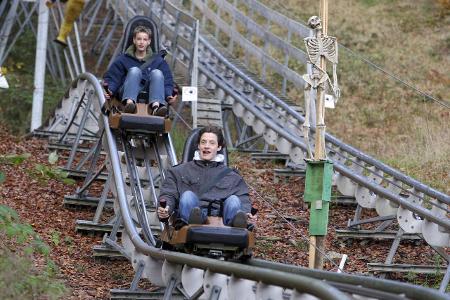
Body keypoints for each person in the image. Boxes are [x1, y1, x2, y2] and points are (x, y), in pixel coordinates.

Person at [158, 126, 257, 228]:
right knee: (187, 197)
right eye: (203, 142)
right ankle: (194, 222)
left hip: (224, 219)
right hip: (191, 216)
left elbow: (243, 198)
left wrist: (247, 214)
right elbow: (168, 194)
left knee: (234, 200)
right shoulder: (178, 171)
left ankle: (237, 224)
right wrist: (166, 209)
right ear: (198, 146)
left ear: (219, 147)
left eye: (212, 143)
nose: (206, 146)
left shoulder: (232, 176)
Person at [103, 25, 176, 115]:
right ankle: (129, 104)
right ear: (134, 40)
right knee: (135, 71)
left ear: (149, 42)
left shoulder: (158, 61)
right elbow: (113, 77)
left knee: (157, 73)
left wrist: (169, 95)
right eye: (139, 39)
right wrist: (110, 89)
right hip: (126, 92)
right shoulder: (123, 59)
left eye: (144, 40)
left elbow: (167, 81)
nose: (141, 42)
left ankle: (156, 107)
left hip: (149, 94)